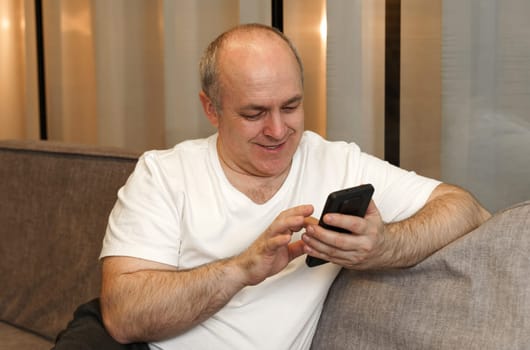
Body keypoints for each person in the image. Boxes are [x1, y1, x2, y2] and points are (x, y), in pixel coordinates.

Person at [98, 23, 491, 350]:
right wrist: (243, 268)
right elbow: (122, 316)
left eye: (290, 107)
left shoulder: (337, 164)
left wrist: (386, 244)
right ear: (211, 109)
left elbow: (466, 208)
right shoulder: (164, 174)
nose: (277, 130)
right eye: (254, 113)